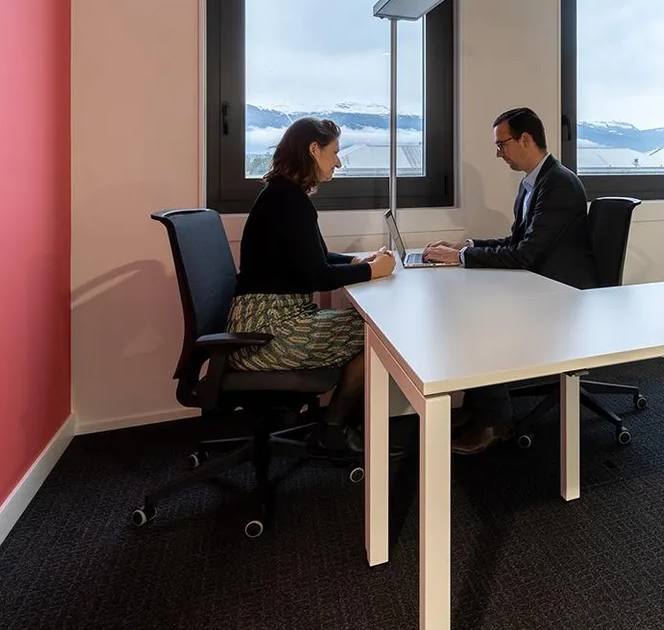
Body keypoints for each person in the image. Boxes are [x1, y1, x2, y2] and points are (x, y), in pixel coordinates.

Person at [422, 106, 596, 453]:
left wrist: (460, 258)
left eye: (502, 145)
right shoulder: (532, 182)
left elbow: (525, 254)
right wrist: (467, 246)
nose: (499, 153)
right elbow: (517, 242)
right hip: (538, 282)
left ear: (526, 139)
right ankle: (478, 407)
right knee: (467, 303)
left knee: (478, 314)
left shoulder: (558, 184)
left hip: (561, 293)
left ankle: (496, 420)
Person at [228, 116, 396, 456]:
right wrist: (373, 273)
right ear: (313, 150)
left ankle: (340, 424)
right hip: (268, 331)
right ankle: (334, 430)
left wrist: (355, 262)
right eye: (333, 152)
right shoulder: (289, 202)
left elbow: (313, 258)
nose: (338, 161)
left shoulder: (283, 196)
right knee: (381, 335)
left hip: (267, 319)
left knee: (372, 329)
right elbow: (316, 277)